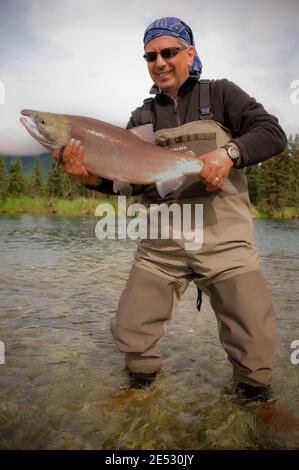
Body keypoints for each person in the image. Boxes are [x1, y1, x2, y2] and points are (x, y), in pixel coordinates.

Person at [54, 17, 287, 399]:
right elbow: (126, 184)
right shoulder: (141, 118)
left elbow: (271, 133)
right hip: (161, 241)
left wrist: (230, 153)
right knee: (132, 328)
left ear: (190, 53)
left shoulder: (222, 94)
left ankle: (256, 400)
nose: (159, 62)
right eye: (150, 56)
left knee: (254, 334)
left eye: (168, 52)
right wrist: (88, 178)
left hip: (223, 239)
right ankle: (140, 393)